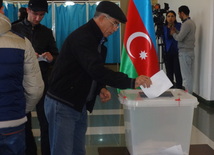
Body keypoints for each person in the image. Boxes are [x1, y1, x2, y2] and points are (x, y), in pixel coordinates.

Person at [44, 1, 152, 155]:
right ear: (102, 18)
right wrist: (132, 81)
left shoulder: (97, 41)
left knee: (78, 150)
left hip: (77, 103)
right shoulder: (83, 38)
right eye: (114, 24)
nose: (115, 29)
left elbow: (87, 69)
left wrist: (100, 87)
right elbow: (96, 70)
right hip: (63, 103)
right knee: (63, 151)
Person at [12, 0, 58, 155]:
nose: (38, 18)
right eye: (35, 14)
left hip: (42, 82)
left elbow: (56, 55)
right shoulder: (14, 29)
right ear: (27, 10)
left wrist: (51, 57)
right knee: (24, 122)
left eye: (41, 15)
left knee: (46, 122)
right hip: (20, 82)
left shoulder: (46, 32)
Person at [0, 0, 44, 154]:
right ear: (2, 10)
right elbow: (36, 89)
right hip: (13, 120)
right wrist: (20, 109)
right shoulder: (22, 42)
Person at [170, 5, 196, 93]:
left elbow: (179, 38)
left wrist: (173, 33)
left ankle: (189, 96)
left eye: (179, 14)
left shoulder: (186, 24)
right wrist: (176, 31)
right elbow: (184, 35)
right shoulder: (191, 22)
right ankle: (190, 94)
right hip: (190, 52)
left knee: (186, 76)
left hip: (184, 53)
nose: (178, 16)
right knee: (189, 75)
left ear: (182, 13)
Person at [163, 10, 183, 89]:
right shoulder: (164, 27)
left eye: (172, 16)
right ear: (166, 18)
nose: (170, 18)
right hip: (167, 52)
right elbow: (166, 37)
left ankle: (179, 88)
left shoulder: (179, 25)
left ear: (175, 17)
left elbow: (179, 36)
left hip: (177, 51)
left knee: (177, 71)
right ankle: (170, 89)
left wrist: (173, 27)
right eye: (168, 16)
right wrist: (168, 28)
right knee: (169, 72)